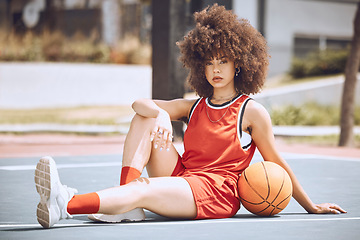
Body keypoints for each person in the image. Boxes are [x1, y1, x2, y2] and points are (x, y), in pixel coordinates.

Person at [34, 4, 346, 229]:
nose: (216, 69)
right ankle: (125, 207)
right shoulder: (194, 106)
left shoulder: (251, 112)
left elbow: (277, 162)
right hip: (183, 175)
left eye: (223, 61)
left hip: (213, 193)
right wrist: (158, 115)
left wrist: (311, 206)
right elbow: (139, 104)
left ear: (239, 63)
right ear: (201, 66)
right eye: (209, 63)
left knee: (143, 188)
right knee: (144, 118)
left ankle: (65, 205)